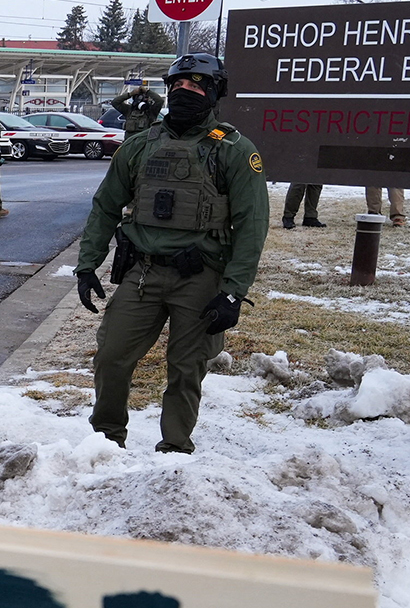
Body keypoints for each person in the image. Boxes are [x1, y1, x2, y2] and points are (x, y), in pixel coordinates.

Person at [72, 53, 270, 454]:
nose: (184, 92)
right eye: (177, 85)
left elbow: (252, 225)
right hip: (142, 274)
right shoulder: (140, 146)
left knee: (185, 368)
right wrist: (87, 263)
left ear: (213, 94)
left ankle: (176, 447)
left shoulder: (233, 149)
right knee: (111, 357)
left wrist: (233, 290)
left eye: (196, 86)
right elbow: (106, 205)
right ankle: (106, 439)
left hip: (200, 278)